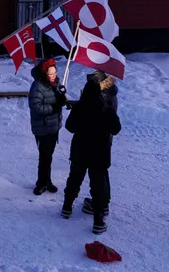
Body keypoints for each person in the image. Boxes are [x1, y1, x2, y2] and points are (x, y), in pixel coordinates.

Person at [62, 71, 121, 235]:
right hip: (99, 153)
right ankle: (98, 220)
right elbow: (116, 129)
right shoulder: (106, 108)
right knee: (98, 186)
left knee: (74, 179)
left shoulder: (80, 107)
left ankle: (67, 207)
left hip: (80, 151)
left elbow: (69, 126)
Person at [28, 57, 66, 195]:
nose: (53, 76)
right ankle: (41, 183)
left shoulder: (55, 83)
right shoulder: (37, 86)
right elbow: (36, 107)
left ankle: (47, 180)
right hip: (42, 128)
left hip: (54, 126)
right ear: (44, 74)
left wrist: (62, 98)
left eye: (54, 73)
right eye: (50, 74)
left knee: (48, 156)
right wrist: (54, 107)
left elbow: (57, 98)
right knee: (44, 156)